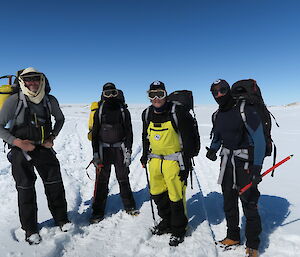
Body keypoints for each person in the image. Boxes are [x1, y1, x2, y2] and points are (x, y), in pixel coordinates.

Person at [0, 67, 70, 245]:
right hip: (20, 150)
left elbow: (60, 119)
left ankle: (61, 220)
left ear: (42, 80)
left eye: (36, 79)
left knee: (54, 184)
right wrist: (17, 142)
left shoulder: (49, 100)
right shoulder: (14, 101)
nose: (32, 83)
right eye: (28, 80)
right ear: (22, 82)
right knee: (25, 189)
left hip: (43, 148)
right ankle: (30, 229)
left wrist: (52, 137)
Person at [206, 79, 265, 257]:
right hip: (226, 161)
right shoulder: (217, 115)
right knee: (229, 200)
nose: (219, 95)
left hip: (245, 163)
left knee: (249, 202)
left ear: (228, 90)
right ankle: (233, 236)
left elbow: (260, 140)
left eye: (222, 90)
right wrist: (213, 149)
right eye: (215, 92)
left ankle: (253, 244)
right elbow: (217, 136)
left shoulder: (245, 110)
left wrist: (257, 168)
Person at [140, 81, 200, 246]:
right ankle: (166, 221)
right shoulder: (146, 114)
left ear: (166, 94)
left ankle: (178, 229)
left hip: (175, 161)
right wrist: (144, 155)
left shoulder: (177, 112)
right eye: (152, 95)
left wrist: (186, 164)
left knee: (176, 196)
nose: (157, 98)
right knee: (157, 193)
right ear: (149, 96)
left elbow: (188, 140)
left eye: (160, 94)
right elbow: (145, 136)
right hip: (155, 160)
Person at [90, 82, 137, 224]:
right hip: (103, 150)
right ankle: (97, 212)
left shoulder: (123, 110)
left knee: (123, 178)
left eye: (113, 92)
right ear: (103, 94)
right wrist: (95, 153)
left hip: (119, 149)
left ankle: (129, 206)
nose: (110, 96)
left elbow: (129, 132)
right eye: (107, 93)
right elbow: (95, 133)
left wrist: (128, 151)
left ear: (117, 93)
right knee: (102, 181)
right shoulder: (99, 110)